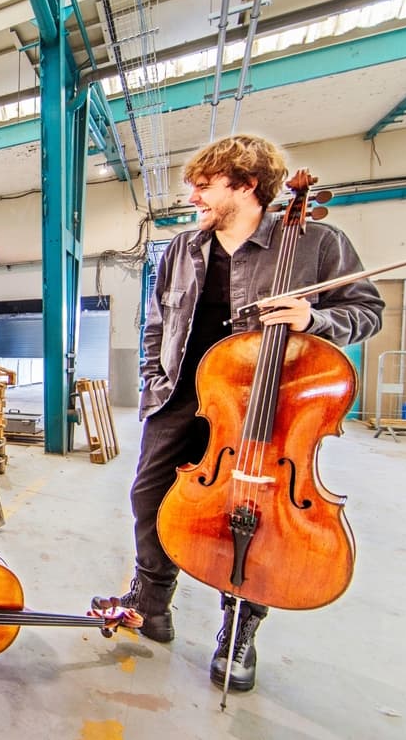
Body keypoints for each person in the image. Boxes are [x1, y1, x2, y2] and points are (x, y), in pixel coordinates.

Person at [91, 135, 384, 692]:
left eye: (204, 186)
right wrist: (155, 378)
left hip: (263, 410)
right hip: (182, 396)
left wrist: (312, 319)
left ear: (246, 186)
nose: (193, 196)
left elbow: (366, 310)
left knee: (252, 515)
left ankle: (239, 627)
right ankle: (150, 603)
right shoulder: (182, 247)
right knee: (149, 498)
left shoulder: (315, 241)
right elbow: (156, 322)